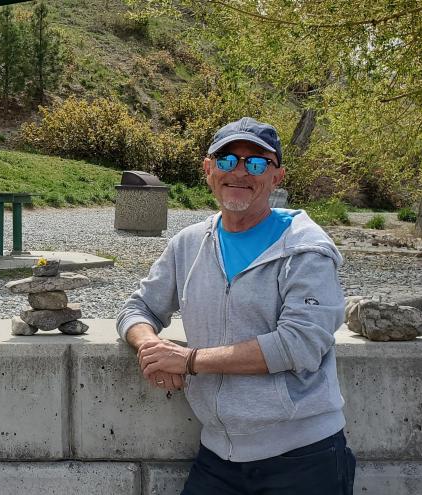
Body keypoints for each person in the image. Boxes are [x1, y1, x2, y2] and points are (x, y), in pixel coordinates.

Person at [116, 117, 355, 494]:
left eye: (256, 163)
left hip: (304, 458)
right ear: (208, 169)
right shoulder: (188, 243)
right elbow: (138, 308)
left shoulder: (307, 248)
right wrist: (149, 346)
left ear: (277, 176)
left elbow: (301, 342)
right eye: (227, 160)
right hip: (218, 456)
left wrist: (190, 360)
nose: (240, 171)